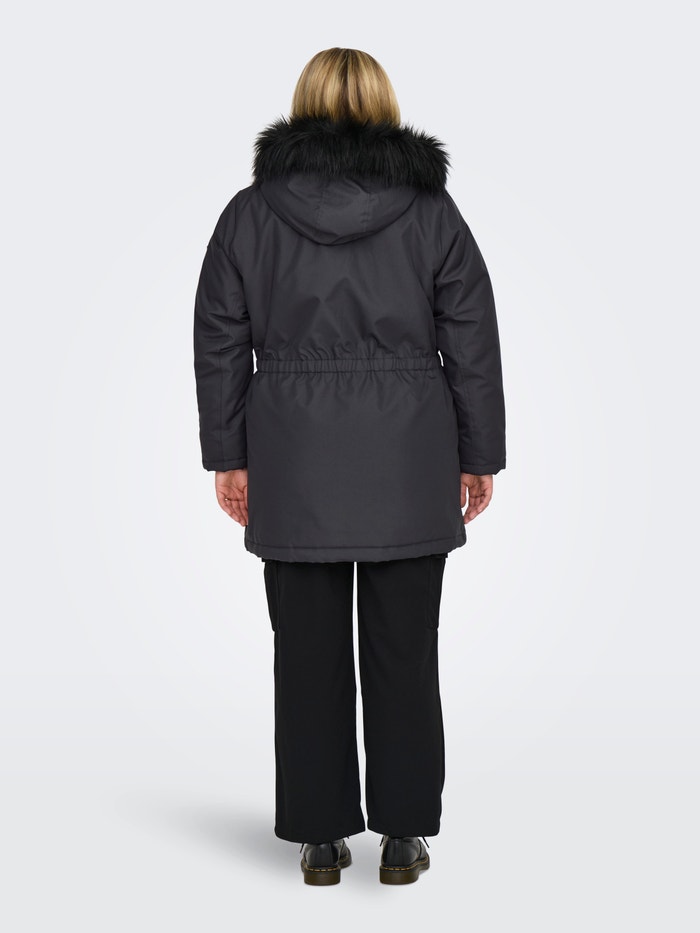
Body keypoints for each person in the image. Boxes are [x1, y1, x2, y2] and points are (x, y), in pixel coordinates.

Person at [193, 47, 506, 886]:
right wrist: (479, 453)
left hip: (294, 458)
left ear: (301, 106)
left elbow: (220, 337)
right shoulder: (432, 211)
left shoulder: (250, 214)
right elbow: (471, 335)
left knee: (306, 653)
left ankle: (320, 839)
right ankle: (403, 836)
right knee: (406, 651)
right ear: (385, 105)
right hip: (410, 457)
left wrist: (229, 455)